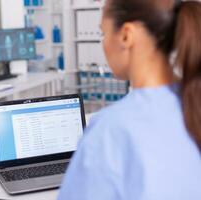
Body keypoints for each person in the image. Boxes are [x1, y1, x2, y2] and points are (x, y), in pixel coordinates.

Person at [58, 0, 201, 199]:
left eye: (103, 33)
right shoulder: (193, 103)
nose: (104, 43)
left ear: (126, 35)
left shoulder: (111, 129)